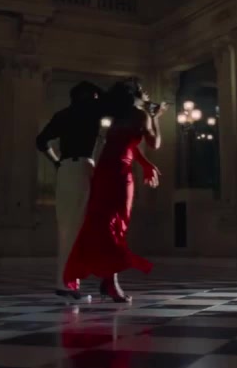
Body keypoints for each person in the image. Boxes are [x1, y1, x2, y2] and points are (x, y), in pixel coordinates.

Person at [62, 78, 164, 302]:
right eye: (142, 90)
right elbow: (155, 144)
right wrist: (155, 118)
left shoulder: (119, 116)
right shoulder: (141, 115)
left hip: (104, 171)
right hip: (119, 174)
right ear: (136, 94)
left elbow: (125, 145)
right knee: (116, 226)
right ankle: (111, 283)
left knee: (103, 224)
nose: (146, 93)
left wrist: (145, 164)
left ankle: (109, 280)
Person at [36, 81, 106, 301]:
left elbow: (41, 141)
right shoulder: (92, 111)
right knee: (74, 227)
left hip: (68, 167)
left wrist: (56, 162)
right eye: (94, 95)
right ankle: (67, 284)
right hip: (81, 167)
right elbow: (107, 99)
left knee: (69, 226)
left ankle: (67, 282)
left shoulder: (63, 114)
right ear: (87, 96)